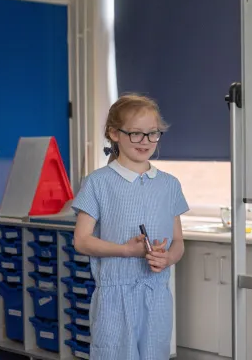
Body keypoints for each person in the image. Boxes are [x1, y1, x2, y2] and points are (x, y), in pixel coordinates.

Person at [71, 94, 189, 360]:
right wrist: (125, 250)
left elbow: (179, 241)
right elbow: (82, 241)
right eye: (136, 134)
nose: (145, 142)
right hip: (114, 297)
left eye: (152, 134)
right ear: (114, 133)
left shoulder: (169, 185)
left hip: (156, 294)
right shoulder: (98, 183)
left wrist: (168, 257)